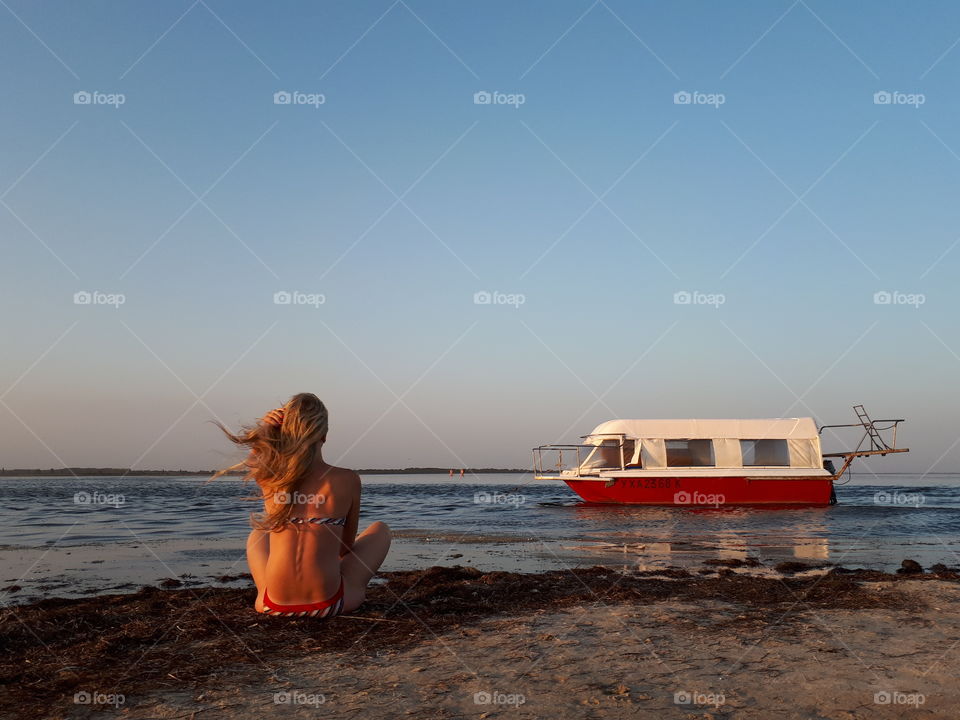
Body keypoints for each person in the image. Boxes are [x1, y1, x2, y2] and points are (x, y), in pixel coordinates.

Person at [213, 393, 391, 617]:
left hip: (271, 605)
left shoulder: (271, 477)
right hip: (329, 605)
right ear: (324, 435)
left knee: (258, 534)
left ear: (284, 433)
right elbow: (344, 548)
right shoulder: (346, 479)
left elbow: (253, 461)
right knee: (381, 529)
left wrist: (267, 428)